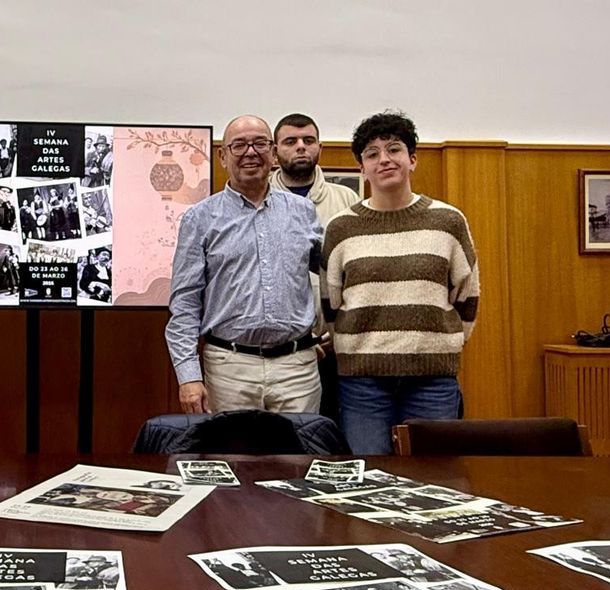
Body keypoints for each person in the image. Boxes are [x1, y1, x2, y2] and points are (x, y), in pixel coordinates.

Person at [321, 111, 480, 454]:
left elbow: (468, 296)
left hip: (432, 379)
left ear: (413, 159)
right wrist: (358, 349)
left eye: (394, 149)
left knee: (437, 481)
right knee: (369, 480)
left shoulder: (448, 221)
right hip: (361, 382)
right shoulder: (340, 228)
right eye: (372, 154)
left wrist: (438, 346)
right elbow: (330, 303)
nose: (384, 160)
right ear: (362, 168)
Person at [166, 115, 323, 415]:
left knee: (300, 459)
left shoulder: (303, 212)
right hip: (229, 368)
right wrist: (188, 377)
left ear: (274, 154)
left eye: (260, 143)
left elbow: (332, 275)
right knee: (231, 460)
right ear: (223, 156)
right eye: (239, 145)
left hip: (297, 370)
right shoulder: (200, 219)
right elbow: (184, 305)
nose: (250, 152)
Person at [269, 113, 362, 423]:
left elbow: (355, 274)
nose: (300, 147)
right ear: (274, 150)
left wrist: (336, 335)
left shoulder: (346, 199)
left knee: (329, 439)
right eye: (290, 141)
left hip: (334, 347)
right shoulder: (260, 198)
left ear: (320, 147)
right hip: (282, 351)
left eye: (308, 141)